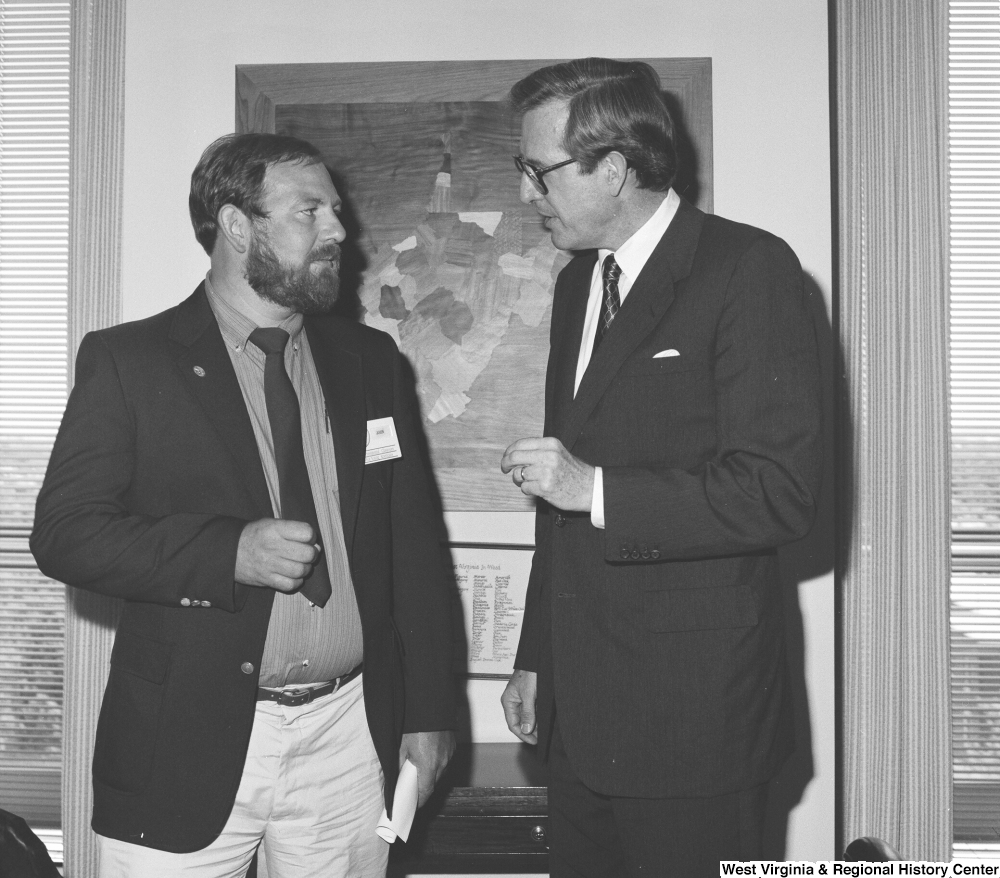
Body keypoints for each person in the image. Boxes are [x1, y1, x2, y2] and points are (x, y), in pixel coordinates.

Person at [31, 133, 456, 877]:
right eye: (310, 211)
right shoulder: (130, 362)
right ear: (236, 226)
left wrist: (429, 710)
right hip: (184, 740)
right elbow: (65, 535)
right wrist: (226, 552)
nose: (338, 231)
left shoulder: (371, 364)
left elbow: (414, 547)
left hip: (348, 737)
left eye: (336, 210)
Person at [499, 58, 823, 876]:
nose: (527, 194)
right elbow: (556, 503)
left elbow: (777, 494)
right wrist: (537, 654)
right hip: (579, 717)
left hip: (694, 725)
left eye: (538, 172)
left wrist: (594, 488)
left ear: (612, 169)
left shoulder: (750, 270)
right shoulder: (578, 287)